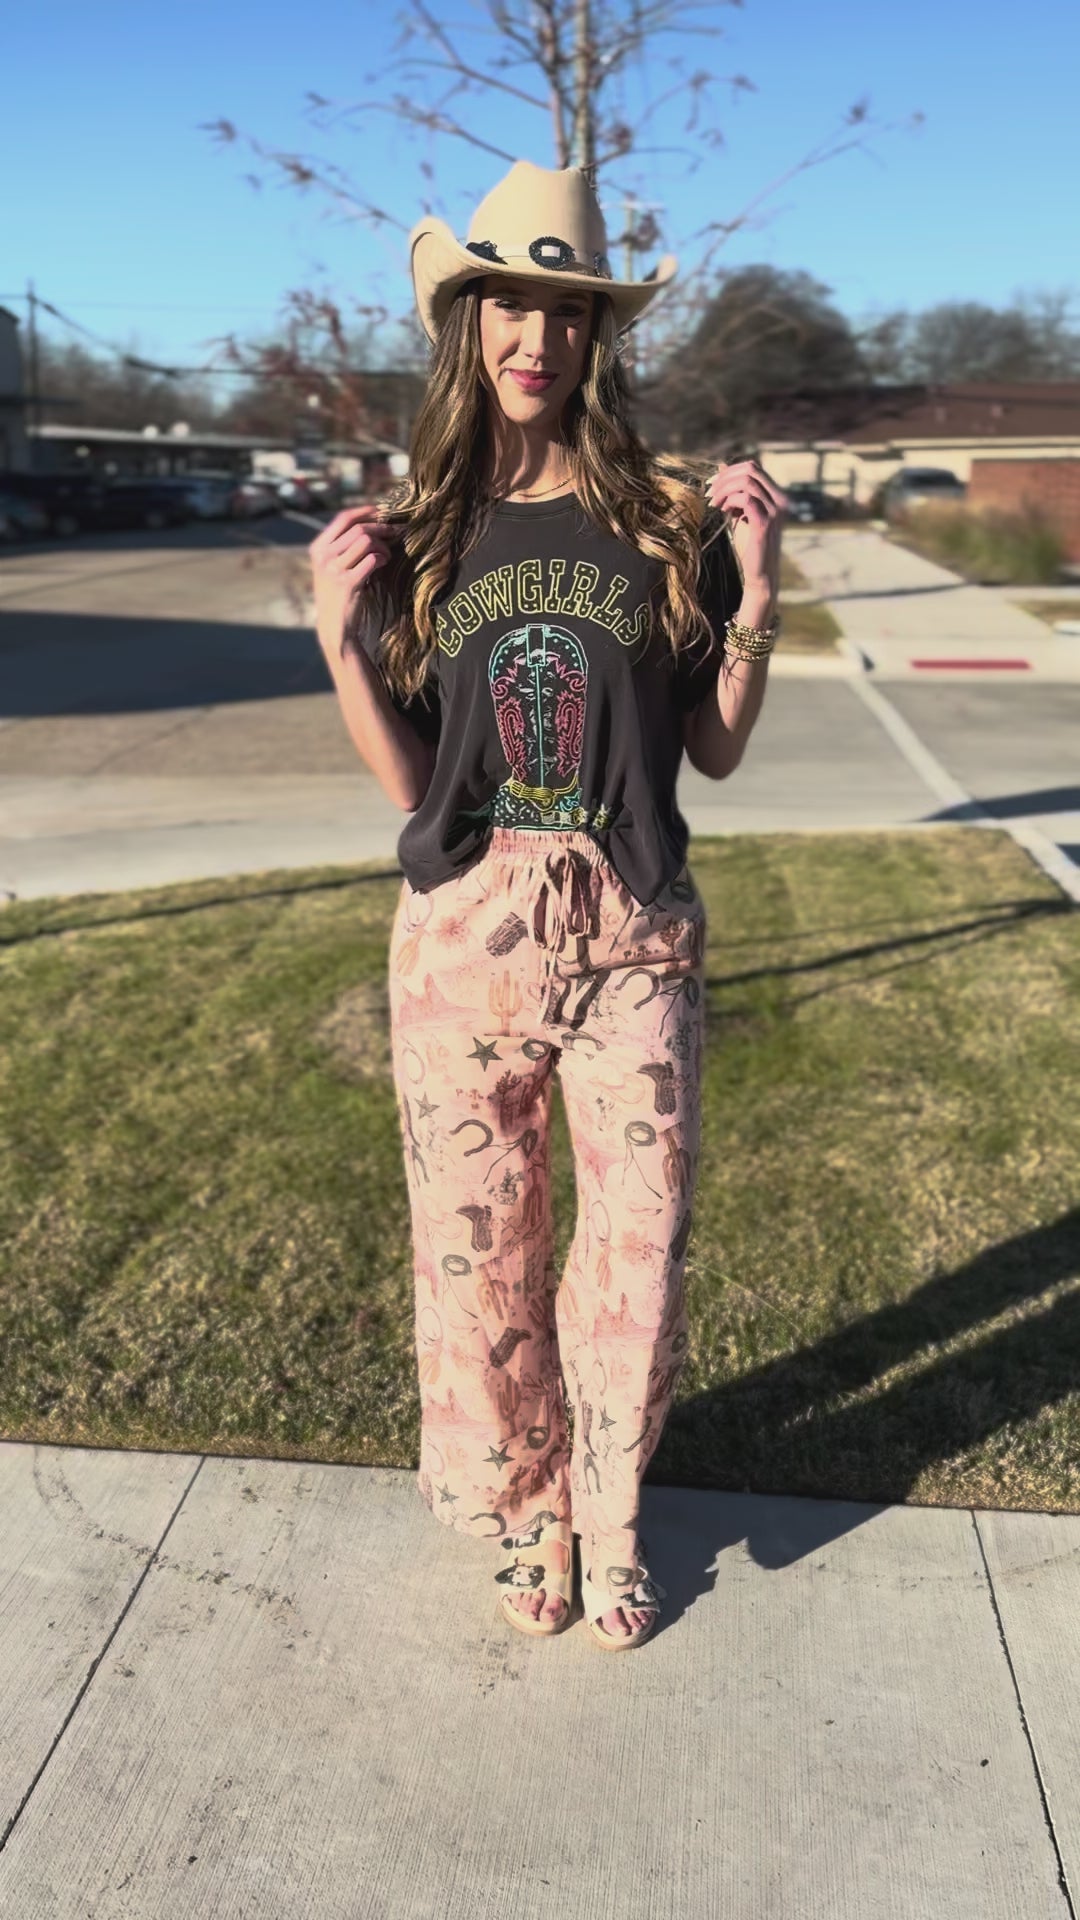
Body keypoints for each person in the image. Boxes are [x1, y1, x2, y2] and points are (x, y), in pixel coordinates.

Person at [309, 159, 787, 1650]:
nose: (538, 337)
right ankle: (533, 1509)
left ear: (597, 336)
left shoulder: (663, 517)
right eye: (510, 305)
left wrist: (760, 595)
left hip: (631, 922)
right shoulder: (422, 531)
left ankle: (614, 1512)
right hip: (465, 926)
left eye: (568, 312)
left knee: (637, 1241)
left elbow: (713, 748)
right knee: (482, 1246)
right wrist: (336, 637)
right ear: (469, 323)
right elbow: (414, 783)